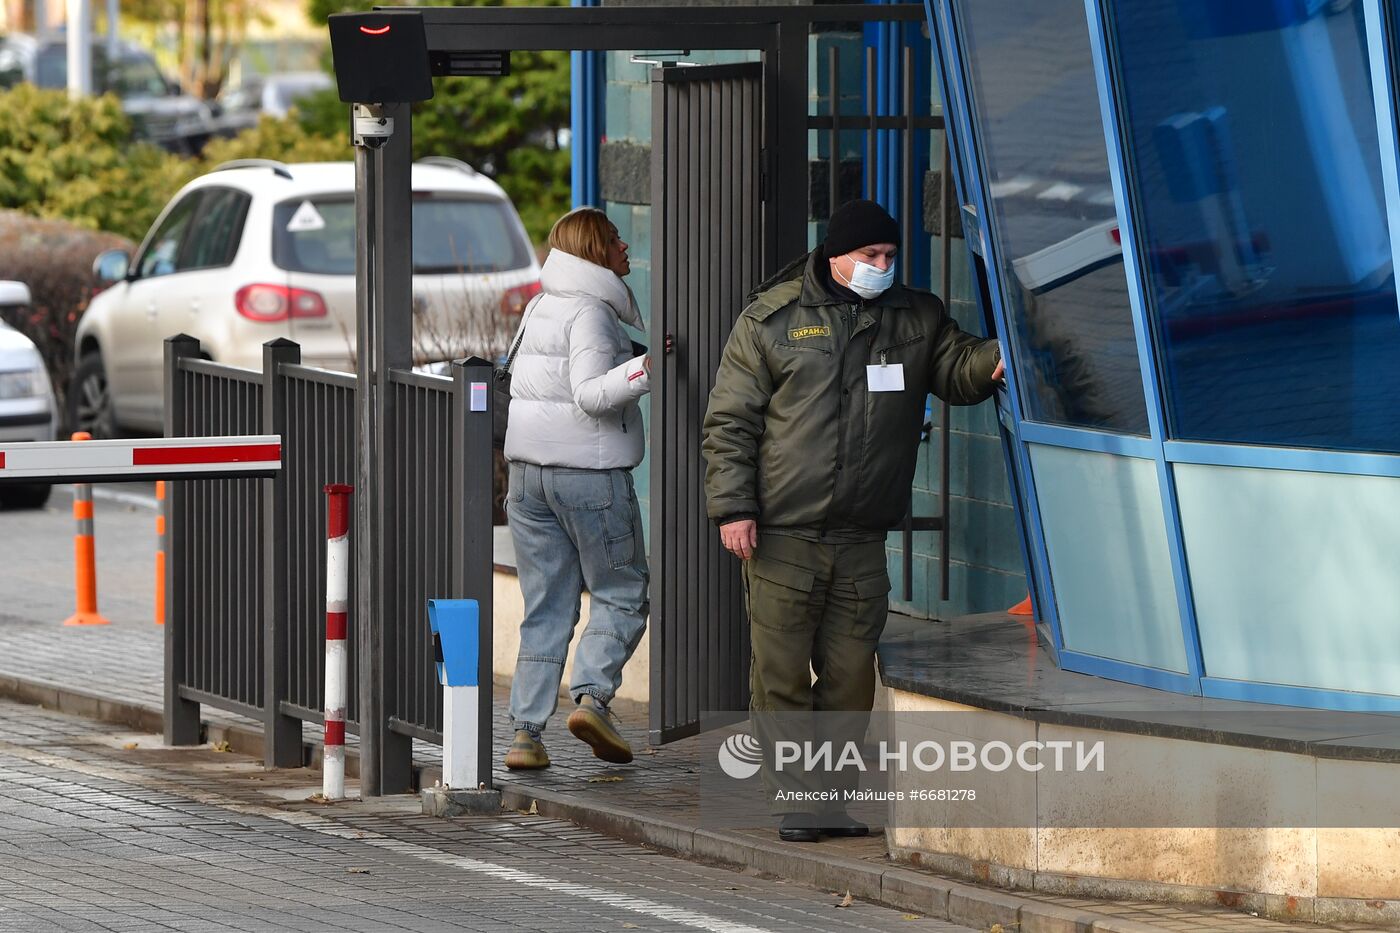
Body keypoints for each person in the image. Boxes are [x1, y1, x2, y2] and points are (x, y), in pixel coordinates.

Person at [701, 199, 1004, 842]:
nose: (881, 267)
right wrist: (734, 508)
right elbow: (731, 422)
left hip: (861, 535)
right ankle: (796, 803)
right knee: (780, 676)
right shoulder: (774, 320)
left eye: (890, 257)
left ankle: (830, 802)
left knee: (849, 678)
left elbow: (956, 368)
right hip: (784, 533)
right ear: (835, 255)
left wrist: (999, 358)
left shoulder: (914, 317)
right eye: (870, 256)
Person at [502, 207, 652, 770]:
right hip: (588, 478)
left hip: (528, 479)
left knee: (545, 607)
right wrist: (646, 370)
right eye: (616, 241)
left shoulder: (542, 303)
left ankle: (525, 734)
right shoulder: (591, 311)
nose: (626, 250)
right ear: (595, 251)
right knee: (622, 590)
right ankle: (592, 699)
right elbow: (591, 394)